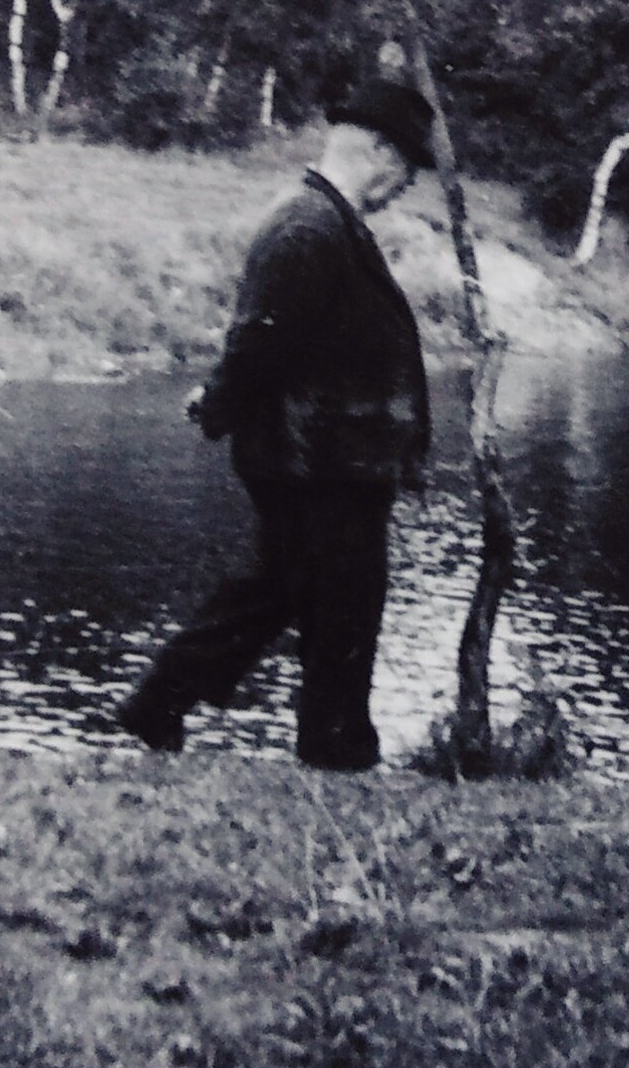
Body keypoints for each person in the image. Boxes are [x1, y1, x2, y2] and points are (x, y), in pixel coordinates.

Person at [112, 78, 437, 769]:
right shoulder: (308, 227)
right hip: (312, 460)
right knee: (331, 602)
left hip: (325, 457)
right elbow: (260, 341)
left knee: (300, 595)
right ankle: (328, 747)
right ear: (378, 152)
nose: (406, 186)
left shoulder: (327, 224)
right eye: (407, 169)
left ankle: (180, 710)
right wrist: (220, 402)